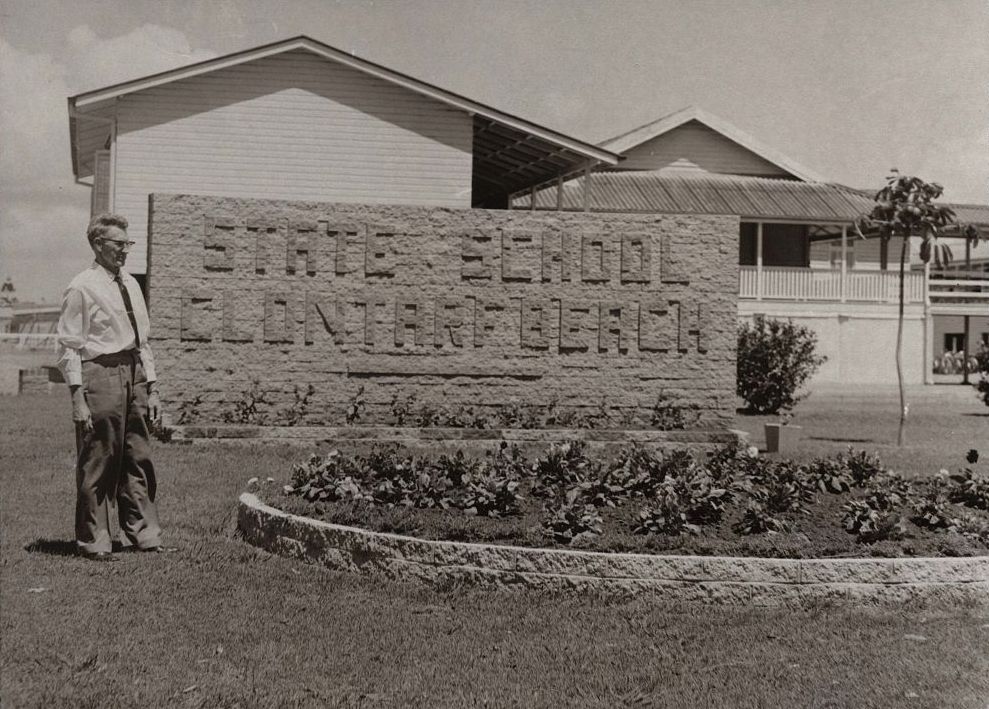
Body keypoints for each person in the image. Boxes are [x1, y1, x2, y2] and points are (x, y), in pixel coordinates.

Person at [56, 213, 176, 561]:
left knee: (138, 456)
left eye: (128, 244)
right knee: (100, 457)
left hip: (134, 373)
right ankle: (95, 541)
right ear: (97, 244)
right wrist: (77, 397)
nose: (125, 251)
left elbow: (142, 341)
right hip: (100, 372)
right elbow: (69, 347)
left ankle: (144, 535)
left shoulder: (131, 284)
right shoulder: (81, 286)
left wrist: (152, 388)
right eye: (118, 244)